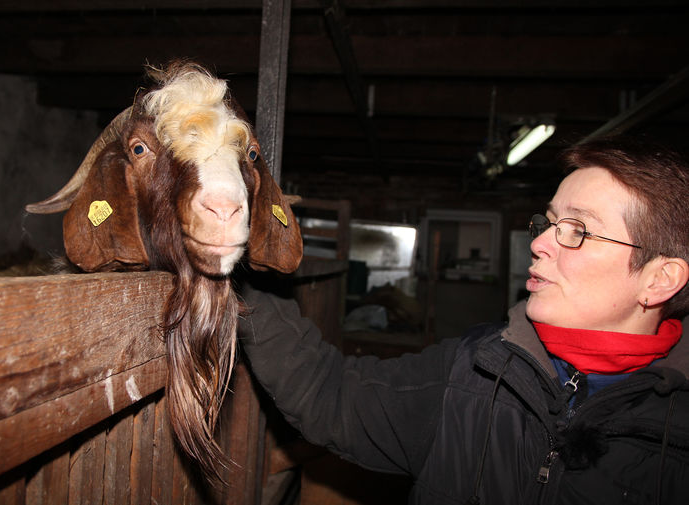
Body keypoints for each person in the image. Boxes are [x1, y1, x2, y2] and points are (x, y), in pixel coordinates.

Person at [237, 136, 689, 505]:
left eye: (577, 231)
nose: (540, 243)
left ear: (659, 280)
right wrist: (239, 261)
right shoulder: (477, 369)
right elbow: (328, 394)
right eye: (549, 223)